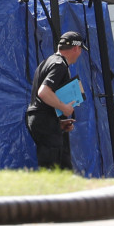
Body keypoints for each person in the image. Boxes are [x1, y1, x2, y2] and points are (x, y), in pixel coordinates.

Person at [26, 31, 86, 169]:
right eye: (81, 50)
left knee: (63, 168)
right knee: (52, 170)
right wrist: (64, 108)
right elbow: (43, 92)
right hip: (43, 121)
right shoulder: (60, 64)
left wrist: (58, 123)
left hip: (43, 120)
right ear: (76, 48)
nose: (80, 53)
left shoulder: (48, 61)